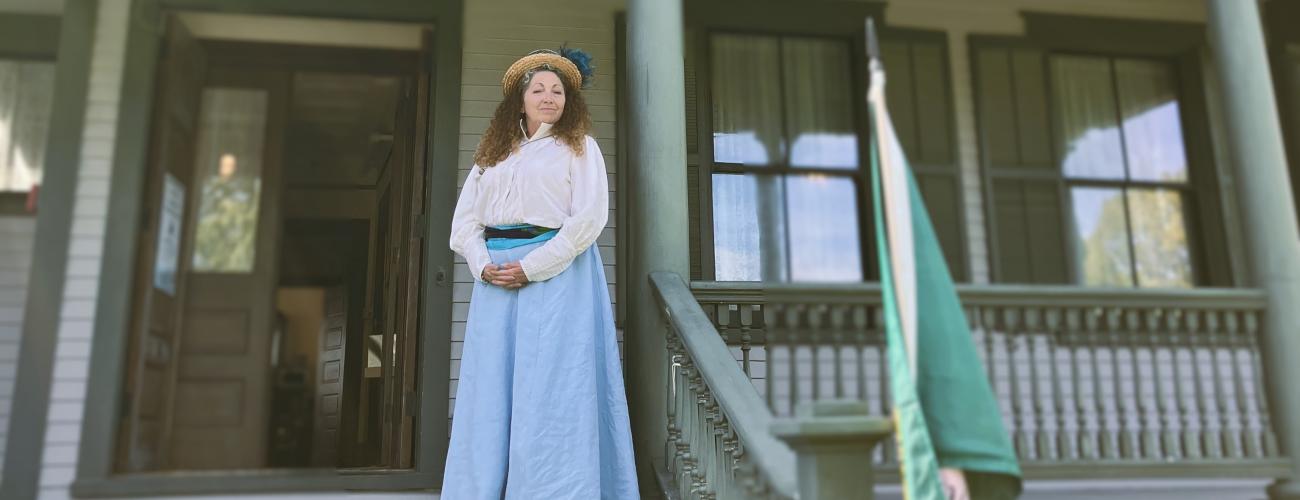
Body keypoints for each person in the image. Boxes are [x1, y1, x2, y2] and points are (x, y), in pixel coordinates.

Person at [441, 48, 640, 499]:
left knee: (552, 388)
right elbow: (463, 224)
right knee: (491, 390)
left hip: (557, 278)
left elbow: (588, 220)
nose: (549, 97)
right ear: (520, 98)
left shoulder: (578, 147)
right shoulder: (491, 152)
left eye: (558, 91)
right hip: (494, 280)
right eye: (539, 89)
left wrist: (531, 268)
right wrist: (483, 264)